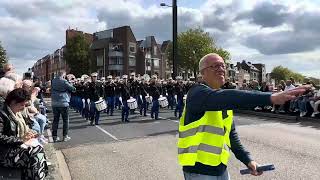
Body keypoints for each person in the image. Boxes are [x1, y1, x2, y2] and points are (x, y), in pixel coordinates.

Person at [178, 53, 309, 180]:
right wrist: (270, 97)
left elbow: (231, 137)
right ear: (203, 73)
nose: (221, 69)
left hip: (220, 169)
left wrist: (248, 160)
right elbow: (230, 96)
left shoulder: (222, 101)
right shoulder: (197, 93)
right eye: (215, 66)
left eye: (223, 66)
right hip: (199, 172)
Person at [0, 88, 48, 179]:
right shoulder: (2, 114)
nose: (23, 108)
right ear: (13, 102)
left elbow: (25, 126)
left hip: (13, 148)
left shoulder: (15, 112)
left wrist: (30, 133)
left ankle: (37, 176)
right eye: (22, 105)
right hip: (4, 153)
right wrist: (21, 139)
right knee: (35, 153)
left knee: (36, 151)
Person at [51, 71, 76, 142]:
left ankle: (54, 136)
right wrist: (70, 82)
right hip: (63, 102)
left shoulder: (53, 81)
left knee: (55, 120)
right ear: (63, 75)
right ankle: (65, 136)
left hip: (54, 103)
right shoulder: (64, 81)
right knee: (65, 120)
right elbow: (73, 89)